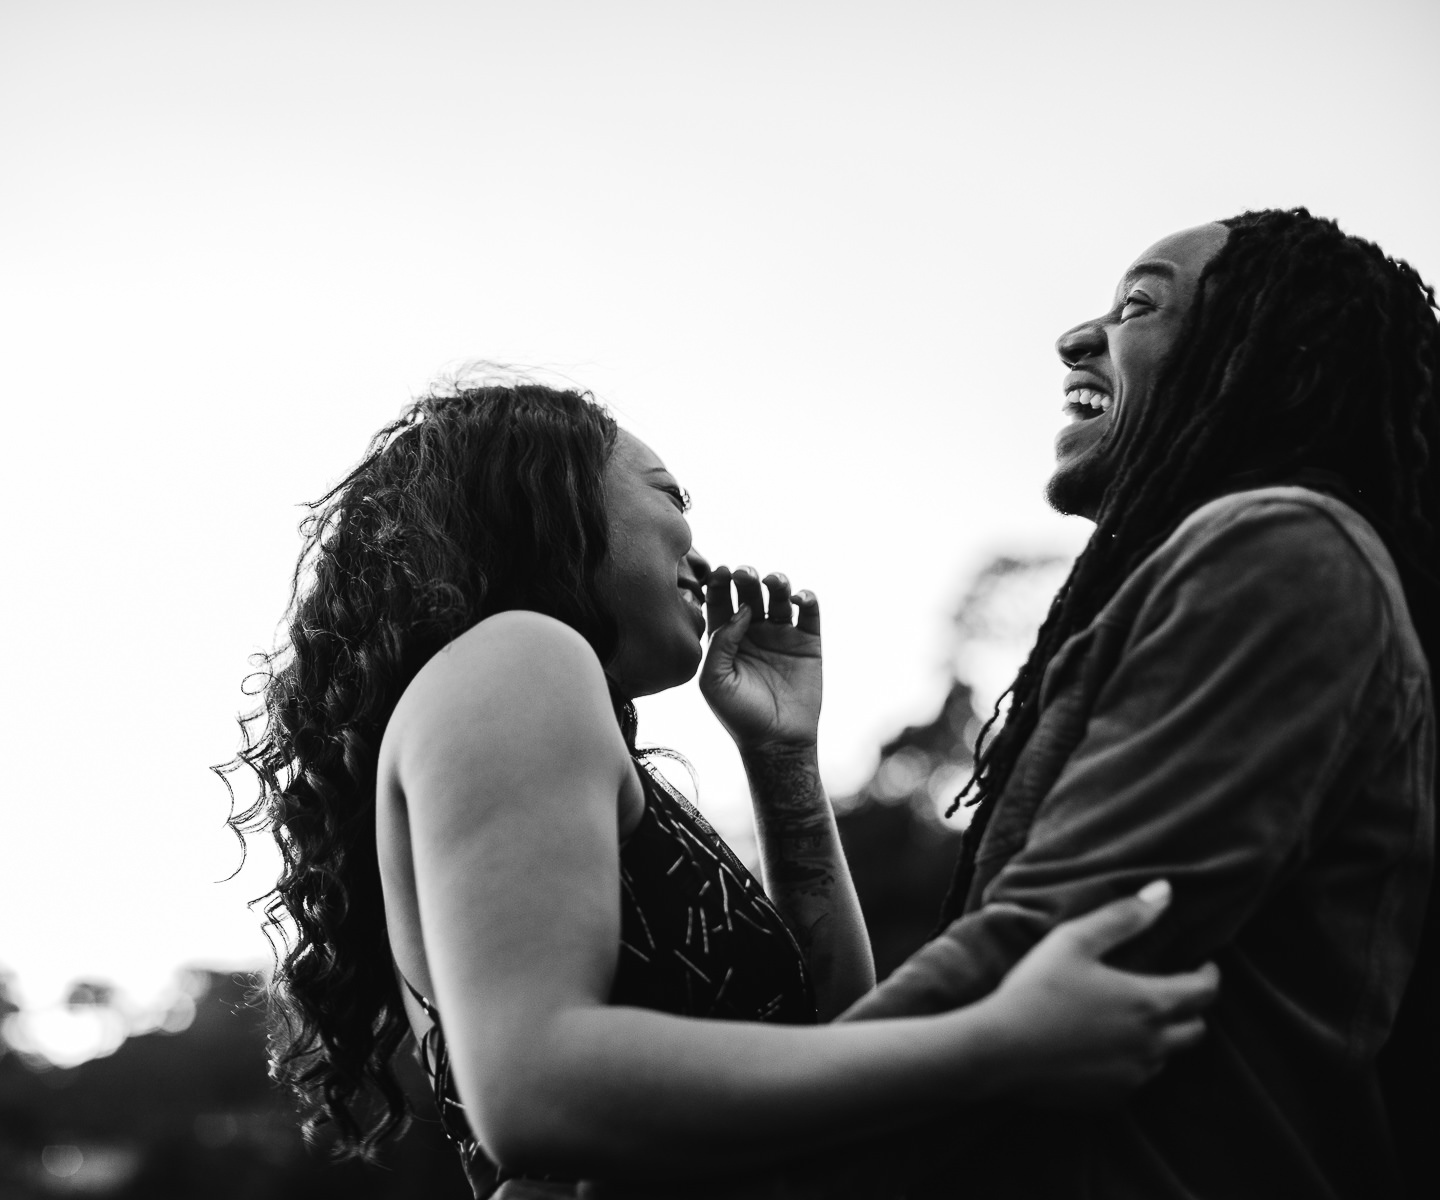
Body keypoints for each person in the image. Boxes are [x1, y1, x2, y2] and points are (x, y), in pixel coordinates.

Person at [226, 380, 1219, 1197]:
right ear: (552, 498)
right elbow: (536, 1091)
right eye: (670, 496)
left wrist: (783, 760)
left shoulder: (536, 699)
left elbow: (831, 1029)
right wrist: (996, 1045)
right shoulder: (519, 660)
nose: (696, 547)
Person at [843, 208, 1439, 1198]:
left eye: (1137, 305)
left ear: (1266, 353)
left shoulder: (1283, 553)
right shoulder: (1256, 564)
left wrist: (680, 1161)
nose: (1078, 337)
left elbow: (1041, 951)